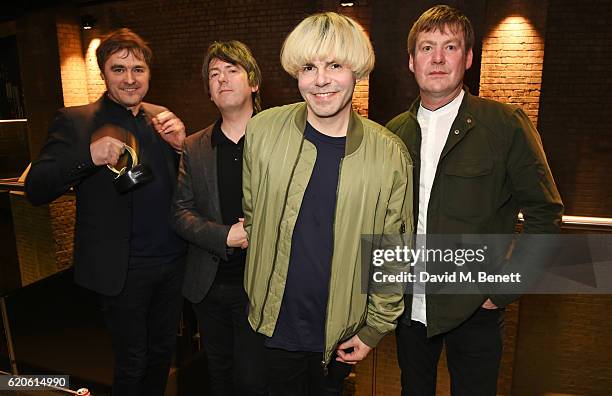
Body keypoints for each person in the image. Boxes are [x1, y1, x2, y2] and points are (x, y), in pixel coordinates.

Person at [386, 5, 563, 395]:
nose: (436, 58)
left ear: (467, 58)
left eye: (449, 47)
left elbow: (545, 214)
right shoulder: (393, 133)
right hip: (408, 310)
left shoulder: (504, 124)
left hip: (475, 309)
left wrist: (500, 290)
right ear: (411, 60)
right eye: (426, 47)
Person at [242, 12, 413, 395]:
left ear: (356, 71)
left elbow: (392, 254)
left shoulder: (389, 155)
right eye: (308, 67)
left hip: (339, 338)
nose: (320, 80)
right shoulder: (263, 131)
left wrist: (374, 330)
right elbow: (254, 215)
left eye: (334, 65)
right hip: (272, 328)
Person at [25, 28, 187, 396]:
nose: (130, 79)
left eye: (138, 69)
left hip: (173, 262)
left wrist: (182, 149)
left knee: (163, 355)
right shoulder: (75, 120)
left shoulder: (163, 118)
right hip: (123, 270)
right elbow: (37, 187)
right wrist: (89, 157)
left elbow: (185, 186)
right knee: (133, 361)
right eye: (119, 69)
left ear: (149, 73)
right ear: (104, 73)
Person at [171, 40, 267, 396]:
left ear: (253, 83)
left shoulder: (280, 141)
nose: (222, 79)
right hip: (208, 287)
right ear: (209, 91)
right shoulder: (194, 146)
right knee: (220, 377)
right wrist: (225, 236)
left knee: (254, 381)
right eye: (214, 74)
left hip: (261, 287)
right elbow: (180, 213)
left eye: (232, 70)